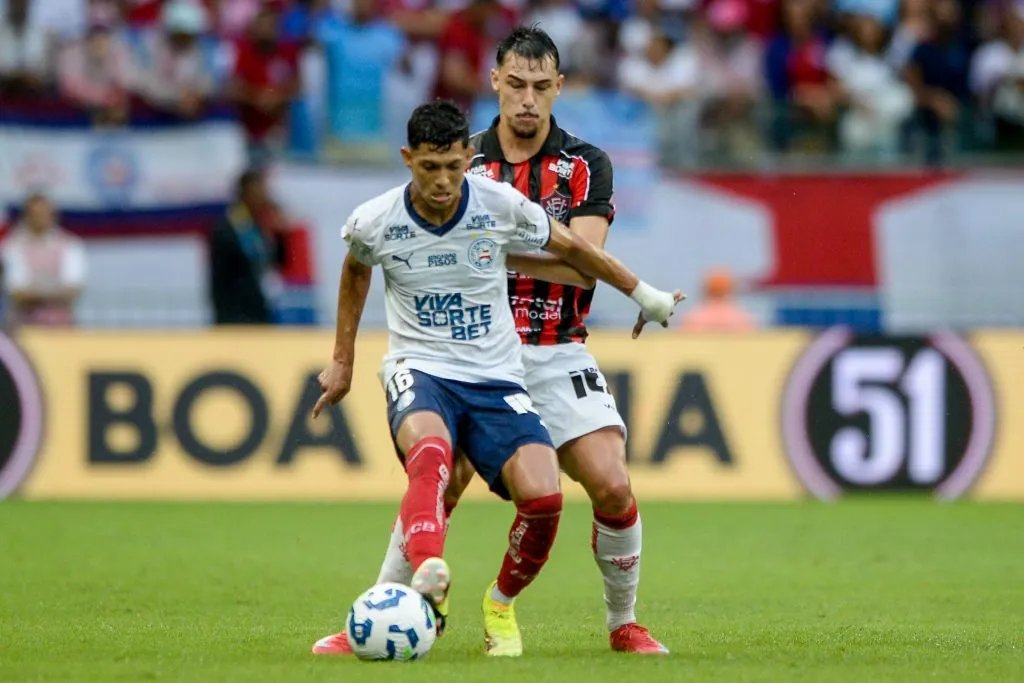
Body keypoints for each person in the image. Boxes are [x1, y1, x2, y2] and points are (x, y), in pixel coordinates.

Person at [313, 27, 674, 657]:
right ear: (495, 83)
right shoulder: (458, 156)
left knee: (612, 486)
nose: (528, 100)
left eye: (541, 87)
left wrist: (478, 250)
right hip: (466, 355)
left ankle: (624, 622)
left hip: (556, 347)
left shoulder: (584, 164)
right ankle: (376, 615)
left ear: (559, 88)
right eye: (516, 85)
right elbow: (384, 249)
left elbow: (584, 262)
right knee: (440, 480)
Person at [0, 193, 87, 328]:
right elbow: (17, 293)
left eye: (44, 213)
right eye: (35, 214)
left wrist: (34, 296)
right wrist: (55, 295)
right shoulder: (12, 246)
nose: (40, 218)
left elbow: (73, 291)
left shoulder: (70, 245)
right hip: (22, 329)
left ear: (53, 215)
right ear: (26, 216)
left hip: (62, 329)